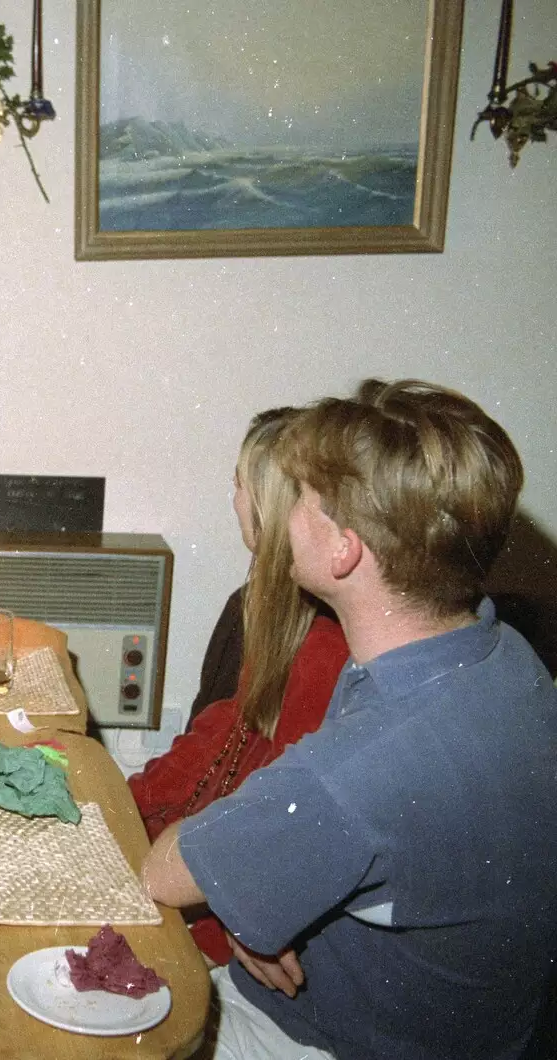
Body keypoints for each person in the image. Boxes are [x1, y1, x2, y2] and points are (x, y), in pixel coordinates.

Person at [142, 380, 557, 1060]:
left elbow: (165, 872)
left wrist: (246, 877)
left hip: (322, 1041)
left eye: (301, 496)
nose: (286, 510)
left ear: (345, 551)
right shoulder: (499, 653)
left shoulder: (364, 766)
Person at [127, 407, 348, 966]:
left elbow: (275, 818)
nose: (233, 499)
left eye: (239, 484)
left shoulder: (322, 645)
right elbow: (215, 739)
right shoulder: (259, 608)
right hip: (203, 857)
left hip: (221, 902)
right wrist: (123, 804)